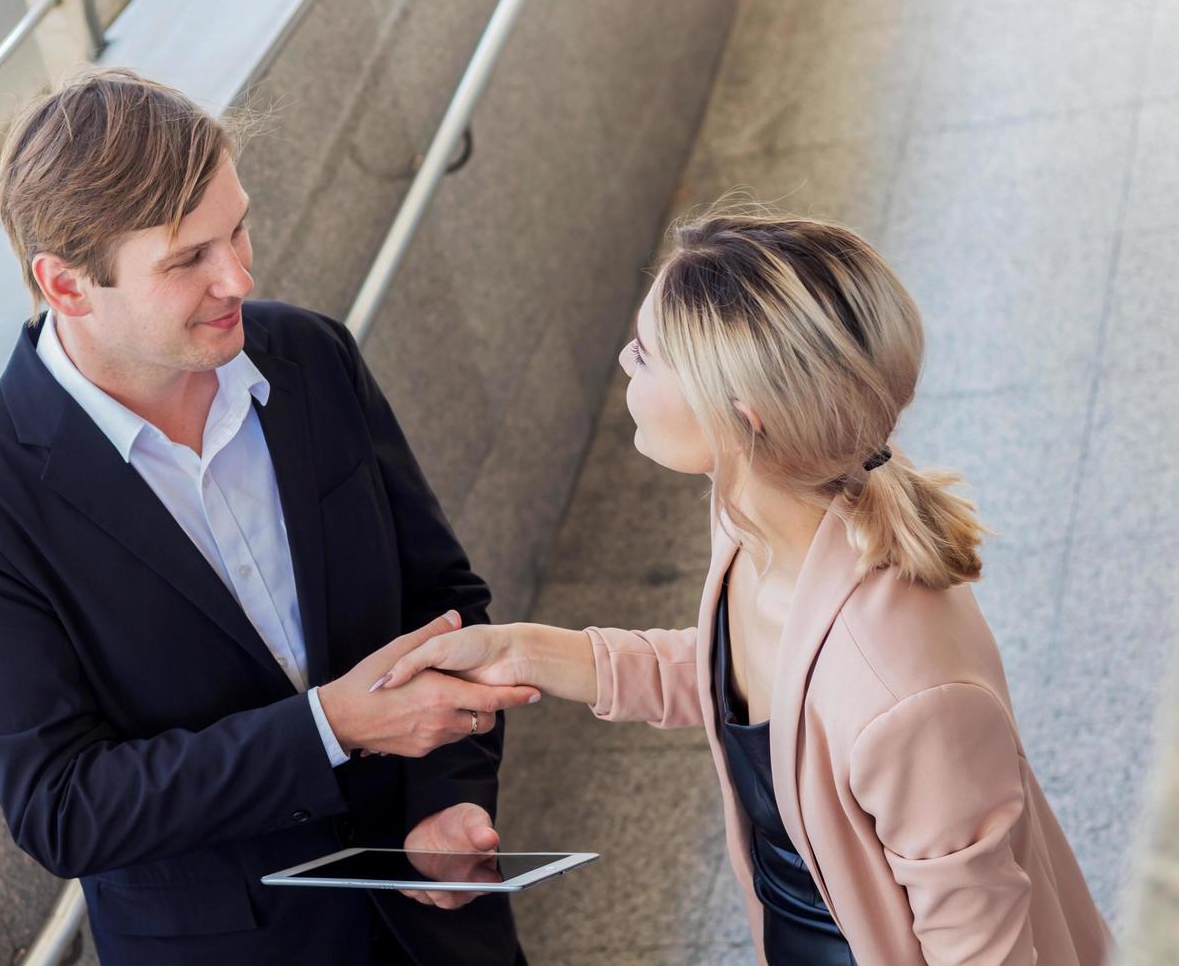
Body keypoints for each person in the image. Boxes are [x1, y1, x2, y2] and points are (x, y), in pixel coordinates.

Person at [0, 66, 537, 965]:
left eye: (237, 228)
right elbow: (62, 807)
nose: (238, 275)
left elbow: (442, 597)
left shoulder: (310, 355)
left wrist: (450, 794)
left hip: (440, 923)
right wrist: (332, 727)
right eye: (188, 259)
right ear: (68, 286)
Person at [377, 212, 1116, 964]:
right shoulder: (755, 519)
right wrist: (521, 650)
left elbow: (981, 949)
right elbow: (753, 687)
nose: (625, 364)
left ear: (741, 416)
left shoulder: (906, 698)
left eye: (646, 355)